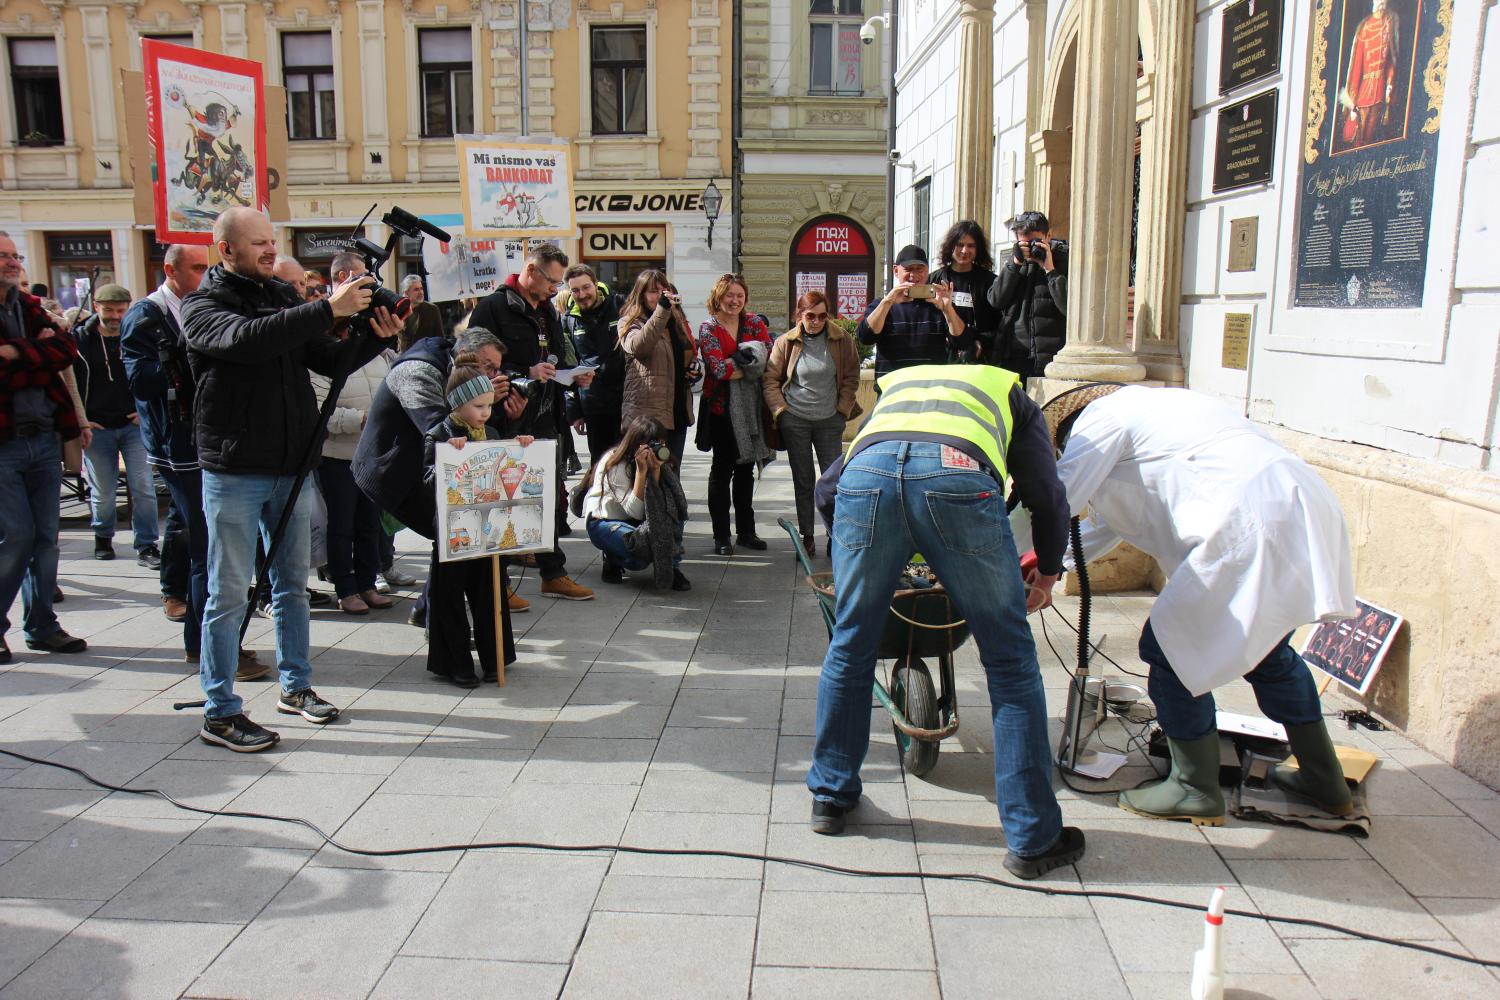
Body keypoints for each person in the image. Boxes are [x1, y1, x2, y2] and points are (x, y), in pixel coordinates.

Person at [806, 363, 1083, 880]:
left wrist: (852, 548)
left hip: (866, 483)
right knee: (1009, 659)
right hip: (958, 483)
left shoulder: (896, 394)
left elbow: (827, 490)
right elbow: (1046, 493)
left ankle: (830, 795)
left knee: (851, 642)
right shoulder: (1011, 393)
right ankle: (1031, 836)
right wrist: (1047, 570)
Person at [1044, 384, 1357, 824]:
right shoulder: (1162, 416)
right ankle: (1327, 781)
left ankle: (1194, 789)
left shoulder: (1101, 421)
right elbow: (1094, 533)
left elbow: (1055, 502)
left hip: (1245, 517)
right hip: (1300, 501)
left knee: (1168, 647)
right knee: (1269, 654)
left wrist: (1000, 565)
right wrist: (1045, 567)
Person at [182, 206, 401, 751]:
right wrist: (326, 307)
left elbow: (328, 360)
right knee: (228, 593)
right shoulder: (200, 306)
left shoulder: (281, 299)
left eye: (270, 240)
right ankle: (220, 709)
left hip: (292, 465)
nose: (268, 249)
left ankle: (296, 686)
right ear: (225, 249)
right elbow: (248, 342)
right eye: (256, 243)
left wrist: (374, 335)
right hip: (234, 469)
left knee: (292, 589)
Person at [121, 244, 266, 681]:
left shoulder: (203, 305)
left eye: (208, 267)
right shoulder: (148, 315)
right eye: (197, 267)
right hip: (178, 447)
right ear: (170, 270)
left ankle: (209, 642)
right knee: (211, 551)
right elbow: (140, 381)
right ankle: (209, 649)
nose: (205, 274)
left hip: (208, 440)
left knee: (209, 546)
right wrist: (194, 356)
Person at [354, 327, 530, 617]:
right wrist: (481, 401)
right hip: (390, 468)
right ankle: (438, 621)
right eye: (487, 367)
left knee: (454, 535)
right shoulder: (418, 370)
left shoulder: (462, 377)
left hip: (423, 465)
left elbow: (476, 435)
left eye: (496, 369)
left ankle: (430, 613)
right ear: (464, 356)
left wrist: (502, 414)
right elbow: (440, 431)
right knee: (453, 534)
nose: (492, 376)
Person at [466, 243, 595, 600]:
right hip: (506, 417)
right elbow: (469, 361)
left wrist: (571, 374)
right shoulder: (493, 307)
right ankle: (500, 583)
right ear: (532, 271)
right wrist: (525, 372)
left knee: (548, 497)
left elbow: (553, 357)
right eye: (552, 281)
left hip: (545, 417)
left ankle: (553, 572)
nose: (556, 289)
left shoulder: (546, 310)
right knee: (507, 499)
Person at [0, 230, 88, 662]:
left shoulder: (30, 306)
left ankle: (41, 625)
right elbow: (49, 353)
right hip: (4, 443)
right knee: (15, 535)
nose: (13, 262)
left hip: (43, 437)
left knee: (46, 538)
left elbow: (66, 350)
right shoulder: (35, 315)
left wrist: (15, 354)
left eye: (15, 255)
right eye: (3, 256)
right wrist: (39, 352)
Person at [421, 360, 526, 686]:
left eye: (488, 406)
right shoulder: (440, 433)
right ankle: (455, 663)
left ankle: (496, 658)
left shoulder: (492, 433)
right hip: (454, 532)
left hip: (488, 530)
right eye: (478, 406)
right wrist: (446, 459)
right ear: (457, 403)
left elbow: (509, 466)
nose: (485, 413)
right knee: (449, 598)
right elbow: (426, 482)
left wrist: (521, 448)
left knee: (490, 594)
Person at [311, 306, 396, 616]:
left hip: (371, 456)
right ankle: (346, 589)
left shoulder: (379, 356)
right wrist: (360, 420)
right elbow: (319, 412)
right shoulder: (322, 358)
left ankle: (367, 583)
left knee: (369, 525)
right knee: (341, 526)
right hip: (337, 458)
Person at [763, 290, 861, 556]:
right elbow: (771, 379)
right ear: (799, 315)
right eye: (810, 316)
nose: (816, 321)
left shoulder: (842, 340)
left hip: (830, 420)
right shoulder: (786, 342)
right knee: (804, 480)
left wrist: (842, 408)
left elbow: (852, 376)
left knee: (835, 481)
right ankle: (807, 536)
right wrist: (780, 411)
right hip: (795, 420)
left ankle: (834, 534)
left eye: (821, 316)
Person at [72, 283, 162, 567]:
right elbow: (70, 382)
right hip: (97, 425)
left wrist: (142, 407)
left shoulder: (136, 334)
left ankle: (146, 544)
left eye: (120, 310)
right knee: (104, 489)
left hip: (133, 423)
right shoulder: (80, 341)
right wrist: (81, 417)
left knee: (143, 485)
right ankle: (103, 536)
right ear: (96, 307)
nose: (114, 316)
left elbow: (152, 372)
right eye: (108, 310)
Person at [697, 273, 773, 555]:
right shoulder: (709, 328)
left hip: (751, 409)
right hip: (720, 410)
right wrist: (746, 366)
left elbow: (767, 358)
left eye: (740, 295)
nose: (735, 301)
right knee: (721, 471)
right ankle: (721, 537)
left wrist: (740, 366)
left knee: (746, 471)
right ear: (718, 296)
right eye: (729, 295)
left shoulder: (753, 322)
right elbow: (717, 370)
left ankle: (746, 532)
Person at [580, 416, 690, 591]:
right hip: (605, 521)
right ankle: (612, 557)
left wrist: (656, 471)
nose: (657, 449)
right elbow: (635, 512)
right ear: (636, 443)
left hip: (635, 522)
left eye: (660, 443)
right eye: (652, 443)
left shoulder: (662, 462)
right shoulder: (615, 463)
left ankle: (671, 567)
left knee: (672, 513)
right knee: (639, 557)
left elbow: (663, 506)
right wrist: (641, 472)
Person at [619, 270, 696, 467]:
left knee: (671, 478)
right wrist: (662, 310)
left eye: (664, 290)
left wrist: (692, 371)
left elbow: (682, 359)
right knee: (647, 477)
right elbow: (639, 347)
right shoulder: (629, 322)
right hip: (647, 416)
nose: (661, 295)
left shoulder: (675, 323)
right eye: (654, 291)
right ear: (641, 295)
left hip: (676, 411)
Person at [857, 244, 969, 379]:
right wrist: (888, 302)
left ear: (927, 271)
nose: (914, 275)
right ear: (896, 270)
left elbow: (962, 343)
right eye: (908, 269)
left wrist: (948, 310)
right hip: (893, 391)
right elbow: (865, 337)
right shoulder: (882, 305)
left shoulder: (938, 305)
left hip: (931, 390)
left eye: (920, 269)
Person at [987, 211, 1068, 380]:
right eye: (1024, 243)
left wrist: (1050, 270)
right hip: (1014, 356)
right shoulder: (1016, 263)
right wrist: (1014, 265)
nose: (1031, 248)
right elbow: (995, 299)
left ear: (1049, 236)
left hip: (1049, 358)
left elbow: (1069, 308)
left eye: (1036, 242)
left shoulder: (1063, 262)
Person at [561, 264, 626, 466]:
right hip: (593, 405)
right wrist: (575, 413)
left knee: (627, 462)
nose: (582, 294)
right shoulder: (568, 321)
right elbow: (567, 368)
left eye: (586, 287)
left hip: (626, 401)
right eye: (575, 290)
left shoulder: (620, 304)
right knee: (599, 465)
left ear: (596, 284)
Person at [930, 220, 1000, 365]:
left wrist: (982, 342)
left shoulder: (990, 282)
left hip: (978, 360)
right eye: (960, 245)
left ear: (978, 249)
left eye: (971, 246)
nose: (964, 251)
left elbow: (998, 322)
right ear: (950, 246)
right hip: (942, 359)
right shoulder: (934, 280)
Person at [1339, 0, 1399, 149]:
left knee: (1371, 137)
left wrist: (1389, 86)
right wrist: (1352, 102)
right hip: (1364, 91)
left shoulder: (1390, 21)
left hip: (1380, 90)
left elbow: (1392, 60)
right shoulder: (1364, 27)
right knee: (1359, 136)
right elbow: (1357, 66)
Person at [399, 274, 444, 352]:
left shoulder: (432, 309)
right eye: (416, 289)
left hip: (425, 356)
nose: (421, 292)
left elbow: (439, 338)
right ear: (406, 293)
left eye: (421, 289)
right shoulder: (398, 309)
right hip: (403, 358)